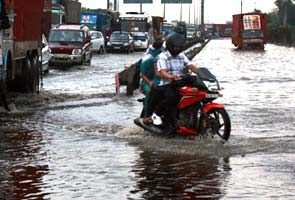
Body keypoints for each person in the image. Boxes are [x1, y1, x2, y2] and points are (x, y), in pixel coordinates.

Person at [143, 33, 199, 133]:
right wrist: (170, 77)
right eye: (175, 47)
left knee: (196, 92)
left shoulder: (181, 56)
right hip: (165, 84)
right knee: (172, 97)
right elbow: (162, 72)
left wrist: (203, 74)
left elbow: (191, 66)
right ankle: (156, 114)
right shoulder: (162, 57)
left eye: (179, 47)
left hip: (179, 83)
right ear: (170, 46)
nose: (177, 49)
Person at [139, 37, 164, 124]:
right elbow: (142, 74)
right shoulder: (148, 58)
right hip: (147, 82)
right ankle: (147, 115)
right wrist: (149, 82)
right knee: (151, 93)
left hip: (158, 80)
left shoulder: (163, 55)